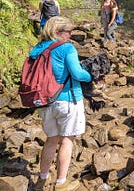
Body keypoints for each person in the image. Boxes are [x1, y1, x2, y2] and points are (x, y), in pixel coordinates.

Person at [32, 17, 92, 191]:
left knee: (51, 140)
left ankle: (42, 177)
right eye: (68, 32)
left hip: (44, 101)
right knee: (67, 140)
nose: (70, 35)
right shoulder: (66, 48)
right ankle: (61, 182)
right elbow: (77, 74)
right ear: (57, 32)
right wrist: (91, 76)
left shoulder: (37, 48)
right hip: (67, 99)